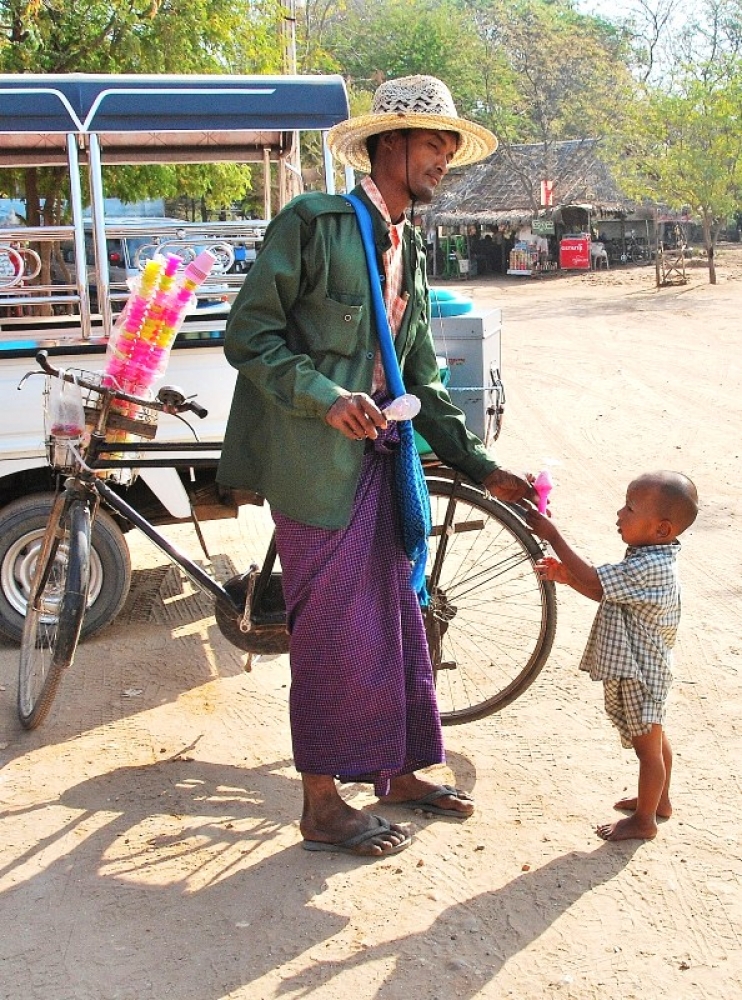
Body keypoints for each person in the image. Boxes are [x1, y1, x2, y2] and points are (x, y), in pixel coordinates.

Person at [217, 75, 537, 858]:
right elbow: (248, 336)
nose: (443, 163)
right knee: (328, 636)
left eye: (450, 151)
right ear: (388, 143)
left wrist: (481, 465)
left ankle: (394, 773)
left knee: (400, 616)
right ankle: (322, 805)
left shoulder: (409, 245)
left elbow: (420, 374)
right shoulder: (315, 223)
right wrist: (325, 396)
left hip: (381, 464)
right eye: (434, 145)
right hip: (313, 466)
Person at [524, 471, 699, 842]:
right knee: (654, 740)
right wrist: (569, 578)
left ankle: (645, 821)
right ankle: (659, 801)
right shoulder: (651, 555)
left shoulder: (650, 566)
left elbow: (597, 579)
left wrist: (554, 537)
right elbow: (607, 591)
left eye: (630, 509)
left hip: (642, 675)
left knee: (647, 750)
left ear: (662, 529)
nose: (620, 514)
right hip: (648, 668)